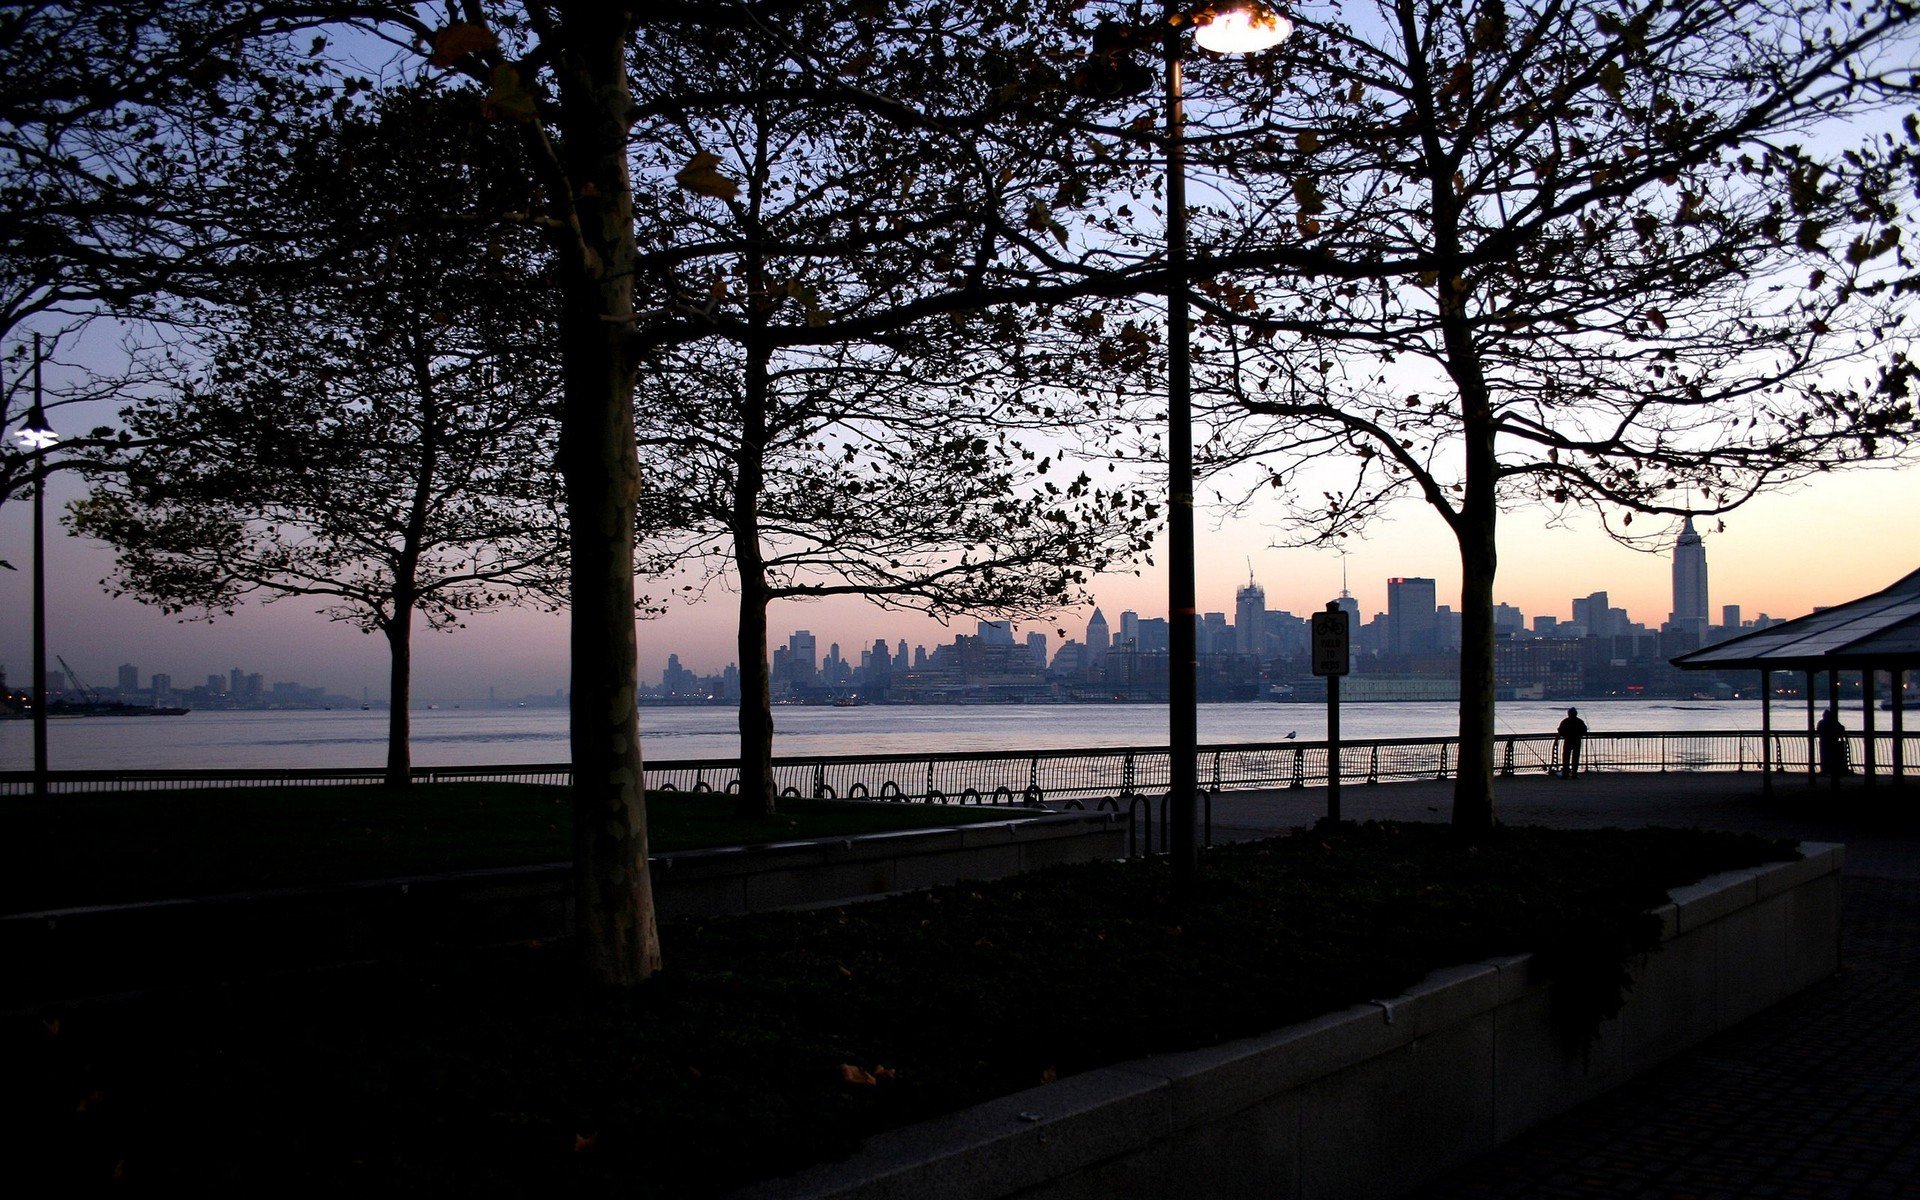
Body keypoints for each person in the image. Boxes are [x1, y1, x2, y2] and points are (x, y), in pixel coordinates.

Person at [1817, 706, 1850, 777]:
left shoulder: (1821, 722)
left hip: (1823, 741)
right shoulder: (1833, 721)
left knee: (1824, 756)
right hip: (1833, 742)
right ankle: (1833, 769)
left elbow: (1818, 730)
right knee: (1832, 756)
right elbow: (1842, 728)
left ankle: (1825, 769)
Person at [1556, 707, 1588, 778]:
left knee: (1566, 757)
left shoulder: (1565, 721)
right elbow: (1584, 730)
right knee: (1575, 758)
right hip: (1577, 741)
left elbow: (1560, 730)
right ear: (1576, 714)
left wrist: (1563, 736)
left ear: (1568, 714)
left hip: (1568, 741)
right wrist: (1579, 735)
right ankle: (1574, 774)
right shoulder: (1579, 721)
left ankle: (1565, 774)